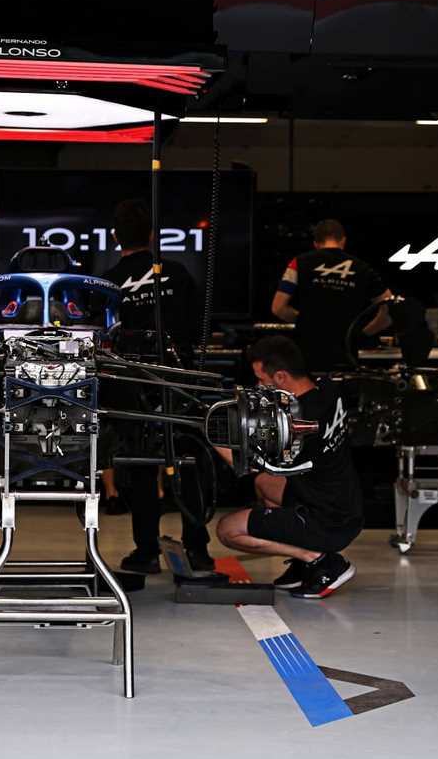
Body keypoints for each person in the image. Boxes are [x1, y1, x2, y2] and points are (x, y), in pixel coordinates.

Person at [101, 198, 213, 574]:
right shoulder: (178, 273)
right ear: (151, 235)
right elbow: (201, 327)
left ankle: (146, 551)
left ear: (116, 238)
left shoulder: (108, 283)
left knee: (140, 464)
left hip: (131, 383)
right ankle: (198, 549)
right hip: (179, 378)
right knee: (191, 459)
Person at [214, 336, 362, 598]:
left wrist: (213, 437)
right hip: (343, 504)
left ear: (281, 376)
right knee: (264, 485)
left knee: (227, 530)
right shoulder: (327, 391)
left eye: (261, 379)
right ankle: (304, 565)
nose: (258, 385)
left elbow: (247, 468)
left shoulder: (296, 425)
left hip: (326, 520)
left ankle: (318, 559)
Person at [271, 219, 394, 372]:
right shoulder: (362, 268)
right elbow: (390, 310)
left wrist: (307, 321)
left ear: (316, 243)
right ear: (343, 241)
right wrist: (361, 333)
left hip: (309, 353)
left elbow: (278, 308)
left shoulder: (298, 263)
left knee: (310, 393)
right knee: (344, 393)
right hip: (346, 353)